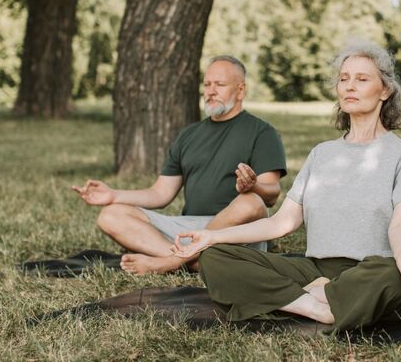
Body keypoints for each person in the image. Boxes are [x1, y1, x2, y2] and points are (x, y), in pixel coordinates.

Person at [173, 41, 401, 330]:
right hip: (315, 271)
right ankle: (316, 306)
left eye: (362, 79)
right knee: (216, 257)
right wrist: (212, 237)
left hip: (370, 270)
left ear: (385, 90)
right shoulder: (322, 154)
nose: (349, 86)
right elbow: (282, 222)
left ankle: (300, 297)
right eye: (344, 79)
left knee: (395, 279)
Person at [72, 56, 287, 275]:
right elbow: (160, 194)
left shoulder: (262, 132)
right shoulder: (189, 135)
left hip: (235, 231)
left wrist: (253, 186)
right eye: (207, 84)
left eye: (220, 85)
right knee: (111, 215)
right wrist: (113, 195)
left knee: (251, 202)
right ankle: (193, 262)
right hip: (189, 230)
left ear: (240, 90)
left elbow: (271, 195)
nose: (211, 91)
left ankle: (169, 263)